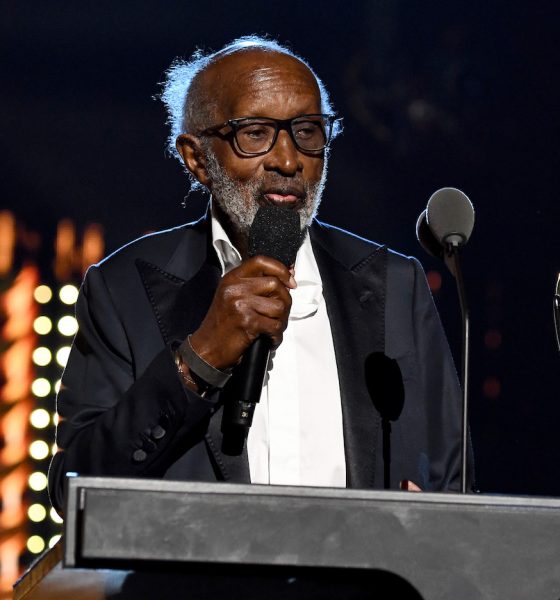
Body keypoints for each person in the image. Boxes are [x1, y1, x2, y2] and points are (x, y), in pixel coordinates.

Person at [48, 36, 471, 513]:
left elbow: (450, 484)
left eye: (308, 131)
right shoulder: (123, 289)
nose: (288, 160)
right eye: (255, 133)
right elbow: (75, 491)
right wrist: (198, 361)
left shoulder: (397, 286)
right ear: (196, 157)